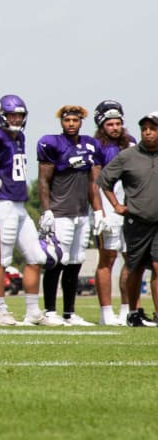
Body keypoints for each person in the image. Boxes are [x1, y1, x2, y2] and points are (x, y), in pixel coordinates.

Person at [0, 94, 56, 326]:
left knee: (36, 257)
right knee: (1, 259)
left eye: (19, 115)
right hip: (1, 203)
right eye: (11, 114)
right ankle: (0, 313)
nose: (16, 118)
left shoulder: (19, 137)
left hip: (18, 204)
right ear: (1, 115)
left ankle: (33, 312)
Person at [36, 105, 104, 326]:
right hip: (60, 212)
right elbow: (44, 180)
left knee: (75, 263)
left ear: (81, 122)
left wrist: (98, 210)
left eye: (75, 120)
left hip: (81, 213)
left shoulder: (90, 145)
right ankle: (49, 311)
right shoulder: (52, 143)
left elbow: (94, 182)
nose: (71, 124)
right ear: (61, 122)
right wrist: (46, 210)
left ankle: (69, 313)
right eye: (67, 120)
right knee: (57, 261)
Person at [97, 110, 158, 327]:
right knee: (135, 267)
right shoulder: (128, 156)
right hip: (137, 221)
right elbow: (104, 181)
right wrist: (115, 205)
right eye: (145, 129)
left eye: (153, 128)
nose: (148, 132)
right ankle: (133, 312)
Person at [93, 100, 135, 325]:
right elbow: (94, 180)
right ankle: (106, 313)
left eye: (118, 123)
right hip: (108, 210)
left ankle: (128, 311)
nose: (115, 127)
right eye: (110, 123)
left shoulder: (132, 144)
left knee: (131, 259)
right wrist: (99, 210)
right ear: (102, 125)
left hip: (130, 209)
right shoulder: (97, 146)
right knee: (107, 259)